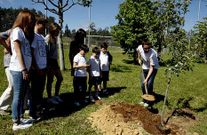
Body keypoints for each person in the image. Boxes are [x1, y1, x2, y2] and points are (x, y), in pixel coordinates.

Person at [9, 10, 36, 131]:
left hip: (25, 69)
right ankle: (16, 122)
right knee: (18, 95)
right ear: (23, 19)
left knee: (22, 94)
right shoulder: (16, 31)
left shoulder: (23, 32)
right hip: (18, 69)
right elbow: (18, 51)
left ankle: (20, 117)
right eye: (30, 19)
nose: (32, 22)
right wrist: (24, 69)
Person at [29, 17, 48, 119]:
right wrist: (36, 68)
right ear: (38, 24)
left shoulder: (41, 36)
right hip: (37, 69)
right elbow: (31, 53)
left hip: (43, 68)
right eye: (43, 25)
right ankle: (33, 112)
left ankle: (39, 109)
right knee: (35, 92)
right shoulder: (34, 36)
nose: (45, 28)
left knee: (40, 90)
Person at [136, 40, 159, 107]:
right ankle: (144, 99)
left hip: (153, 68)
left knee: (149, 84)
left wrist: (147, 79)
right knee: (143, 85)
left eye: (148, 48)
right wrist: (139, 58)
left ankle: (149, 101)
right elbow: (138, 51)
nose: (147, 49)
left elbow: (151, 68)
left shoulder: (153, 54)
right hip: (144, 67)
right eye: (145, 48)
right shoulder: (140, 47)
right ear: (143, 47)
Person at [45, 22, 63, 105]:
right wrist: (48, 65)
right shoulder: (48, 38)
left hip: (54, 61)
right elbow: (46, 52)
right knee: (50, 80)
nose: (58, 32)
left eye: (59, 30)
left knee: (60, 78)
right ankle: (49, 98)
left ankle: (56, 95)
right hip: (50, 62)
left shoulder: (55, 38)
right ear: (52, 30)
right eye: (57, 30)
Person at [0, 30, 12, 116]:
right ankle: (1, 106)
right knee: (12, 86)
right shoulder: (12, 30)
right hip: (9, 62)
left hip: (19, 63)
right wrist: (7, 47)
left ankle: (24, 106)